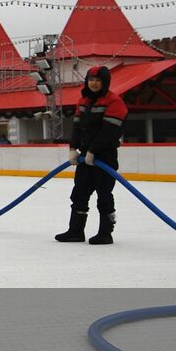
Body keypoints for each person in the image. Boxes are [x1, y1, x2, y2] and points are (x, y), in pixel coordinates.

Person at [56, 65, 126, 245]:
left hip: (105, 156)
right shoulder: (83, 101)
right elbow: (78, 127)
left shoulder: (114, 101)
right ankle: (75, 231)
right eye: (91, 80)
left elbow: (109, 131)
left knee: (104, 195)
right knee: (79, 193)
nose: (94, 84)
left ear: (105, 83)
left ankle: (105, 233)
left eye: (98, 80)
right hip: (86, 157)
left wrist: (94, 151)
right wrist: (73, 148)